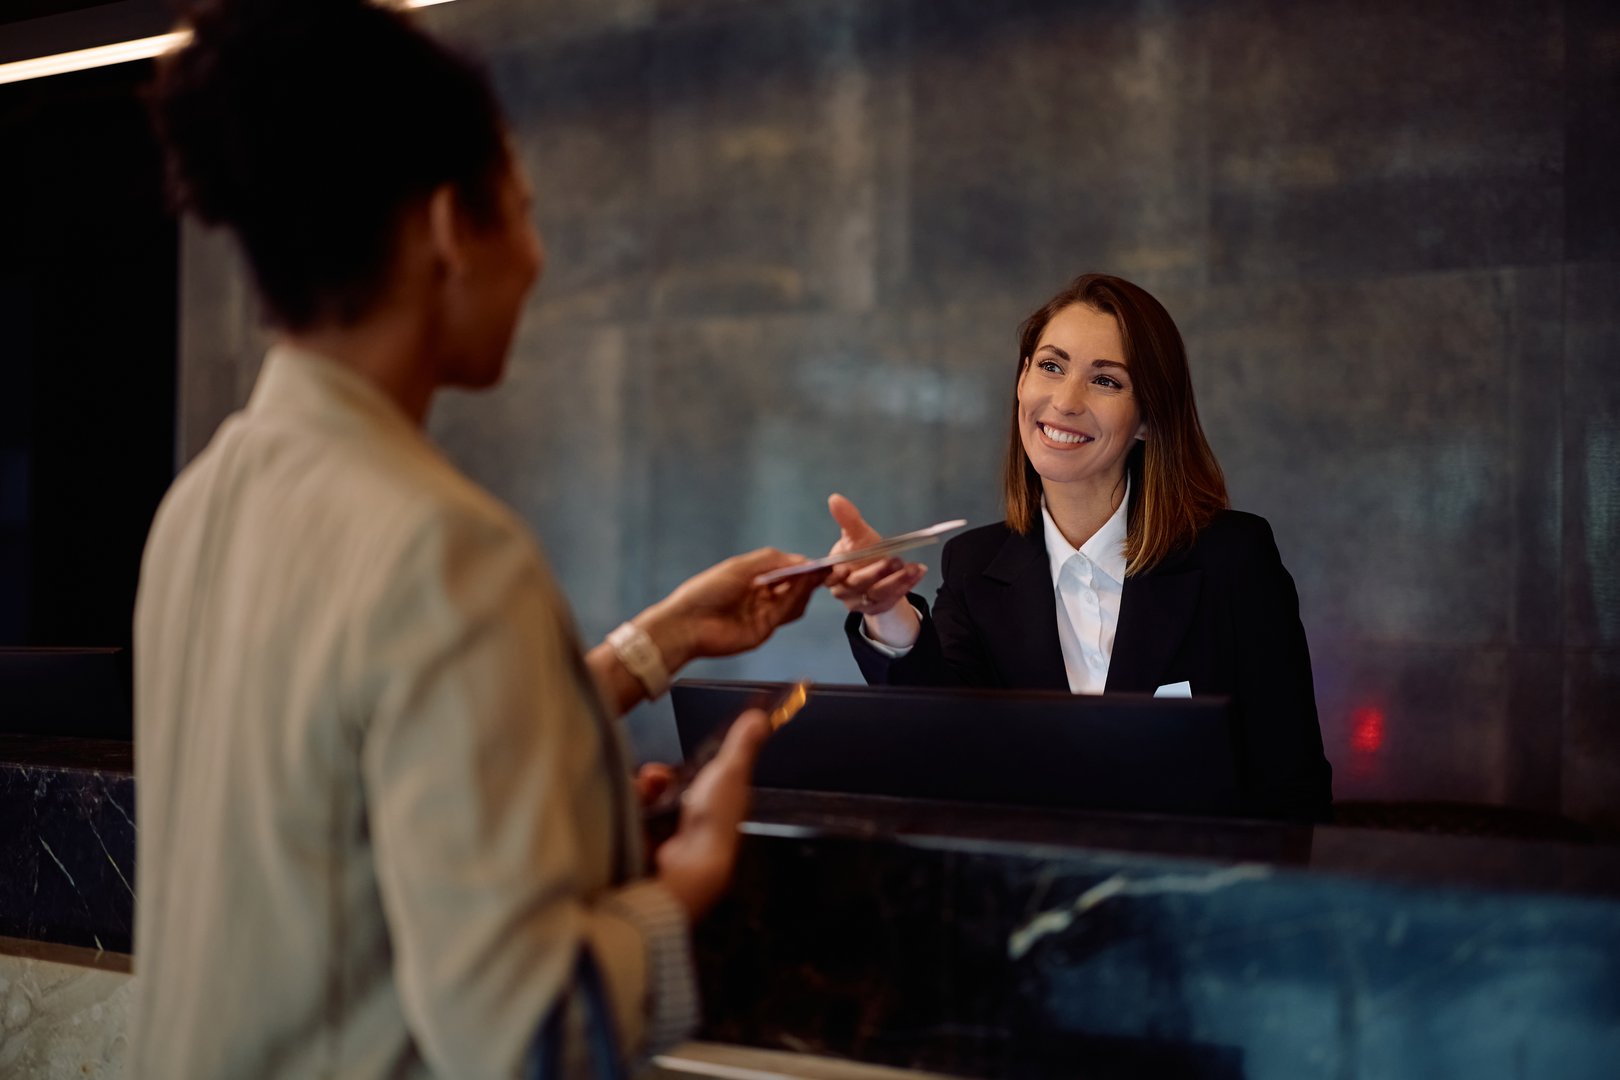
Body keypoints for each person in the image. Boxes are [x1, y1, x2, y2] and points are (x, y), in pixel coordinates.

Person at [133, 2, 822, 1077]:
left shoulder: (200, 503)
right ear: (452, 227)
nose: (540, 260)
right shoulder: (445, 547)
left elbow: (350, 775)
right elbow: (525, 1032)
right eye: (526, 211)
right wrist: (682, 886)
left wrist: (659, 644)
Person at [825, 273, 1332, 821]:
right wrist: (886, 608)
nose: (1065, 401)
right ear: (1021, 381)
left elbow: (1293, 789)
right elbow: (940, 729)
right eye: (1050, 366)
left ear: (1148, 419)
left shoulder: (1234, 558)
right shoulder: (974, 566)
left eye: (1107, 381)